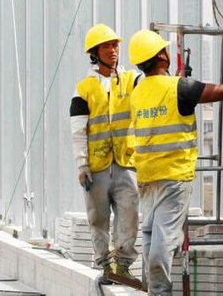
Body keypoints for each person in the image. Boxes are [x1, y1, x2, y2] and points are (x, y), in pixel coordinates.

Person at [127, 29, 223, 295]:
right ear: (162, 56)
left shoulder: (137, 91)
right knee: (161, 241)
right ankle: (160, 290)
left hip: (149, 178)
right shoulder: (180, 87)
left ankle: (155, 289)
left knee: (151, 237)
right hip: (172, 177)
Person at [69, 24, 140, 279]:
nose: (113, 50)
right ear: (94, 53)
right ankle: (105, 267)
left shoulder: (132, 80)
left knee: (129, 216)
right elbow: (78, 131)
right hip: (97, 167)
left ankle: (123, 267)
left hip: (125, 163)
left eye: (115, 45)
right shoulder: (84, 89)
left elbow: (154, 85)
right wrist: (82, 165)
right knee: (98, 219)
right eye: (106, 46)